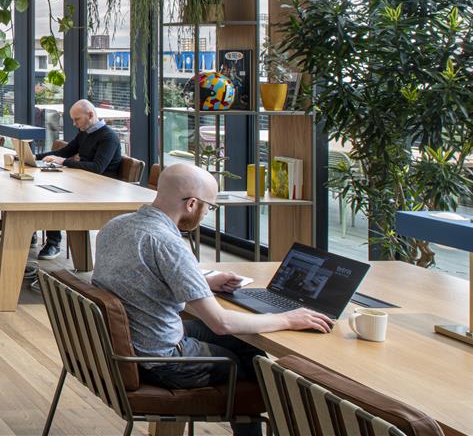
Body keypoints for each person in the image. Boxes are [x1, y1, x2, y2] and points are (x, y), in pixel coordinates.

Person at [93, 164, 333, 436]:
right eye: (209, 207)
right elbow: (220, 322)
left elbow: (138, 280)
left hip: (128, 345)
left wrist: (203, 283)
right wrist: (288, 318)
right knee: (253, 366)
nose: (207, 213)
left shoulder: (116, 225)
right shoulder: (168, 243)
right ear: (192, 204)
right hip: (162, 361)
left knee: (245, 346)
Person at [35, 99, 122, 260]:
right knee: (42, 189)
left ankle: (53, 243)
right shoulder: (85, 132)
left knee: (52, 196)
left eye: (77, 119)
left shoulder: (108, 137)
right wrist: (35, 157)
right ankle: (31, 232)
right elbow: (65, 151)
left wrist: (65, 162)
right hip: (84, 183)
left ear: (90, 115)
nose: (75, 124)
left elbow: (97, 168)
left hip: (102, 190)